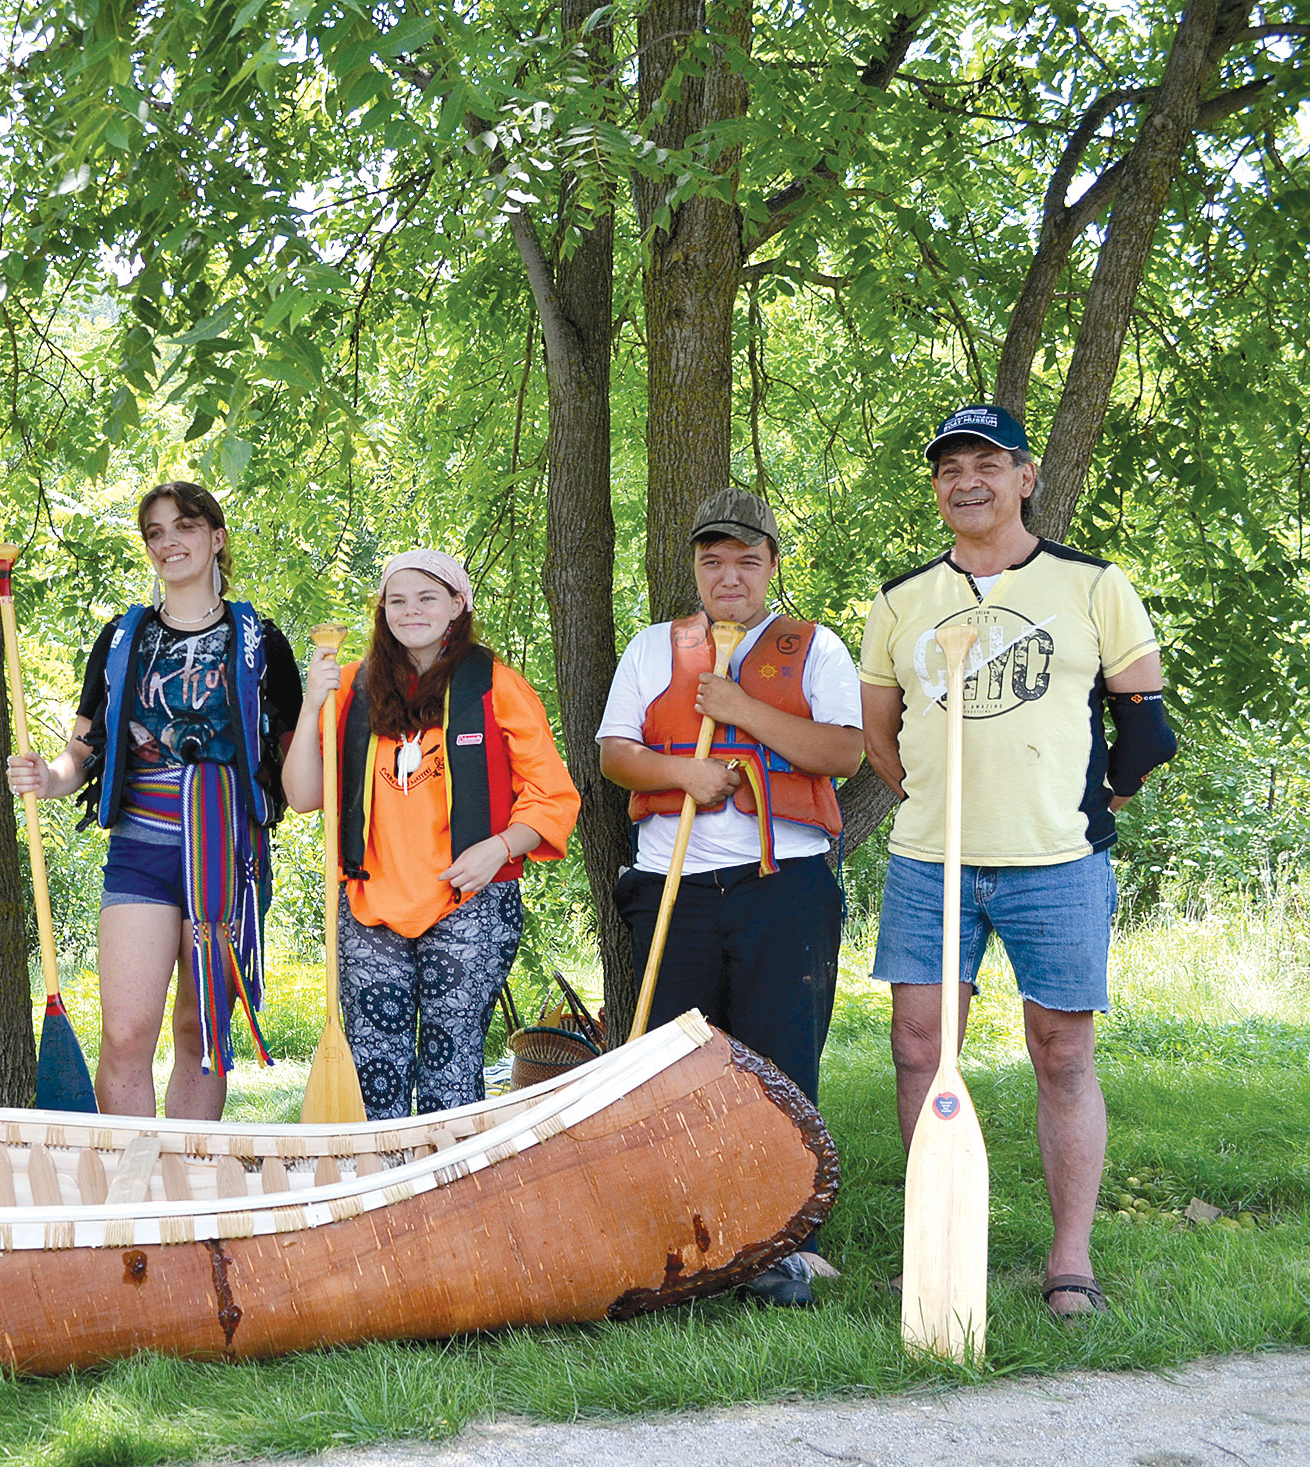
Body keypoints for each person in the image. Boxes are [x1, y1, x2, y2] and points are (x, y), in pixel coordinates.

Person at [862, 404, 1176, 1320]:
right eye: (950, 466)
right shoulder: (902, 599)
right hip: (931, 863)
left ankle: (1068, 1263)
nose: (968, 479)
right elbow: (883, 739)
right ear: (936, 486)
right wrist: (939, 794)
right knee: (919, 1049)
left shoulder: (1092, 584)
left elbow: (1147, 727)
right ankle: (940, 1239)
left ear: (1026, 476)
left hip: (1058, 865)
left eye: (988, 463)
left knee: (1063, 1053)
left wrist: (1097, 799)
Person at [596, 488, 866, 1306]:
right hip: (674, 886)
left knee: (779, 1063)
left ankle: (786, 1242)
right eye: (713, 561)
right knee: (674, 1067)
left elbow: (846, 753)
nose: (729, 575)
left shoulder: (816, 649)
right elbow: (615, 753)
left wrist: (741, 707)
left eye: (747, 560)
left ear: (772, 566)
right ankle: (674, 1239)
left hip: (782, 886)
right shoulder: (654, 647)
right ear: (695, 569)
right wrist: (685, 772)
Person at [4, 482, 302, 1118]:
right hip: (142, 844)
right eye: (156, 533)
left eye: (185, 527)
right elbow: (81, 755)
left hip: (226, 852)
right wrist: (45, 777)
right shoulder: (121, 639)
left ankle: (188, 1193)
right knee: (126, 1033)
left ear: (216, 539)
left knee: (200, 1038)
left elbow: (293, 764)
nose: (170, 542)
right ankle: (130, 1195)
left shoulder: (262, 643)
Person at [283, 550, 581, 1122]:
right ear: (382, 610)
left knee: (450, 1066)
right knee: (375, 1072)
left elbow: (553, 795)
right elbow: (301, 795)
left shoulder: (494, 684)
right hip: (372, 907)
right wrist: (312, 700)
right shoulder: (351, 685)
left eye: (427, 598)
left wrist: (498, 847)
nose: (411, 611)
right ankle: (382, 1198)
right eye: (397, 600)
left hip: (468, 904)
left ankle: (447, 1196)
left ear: (456, 605)